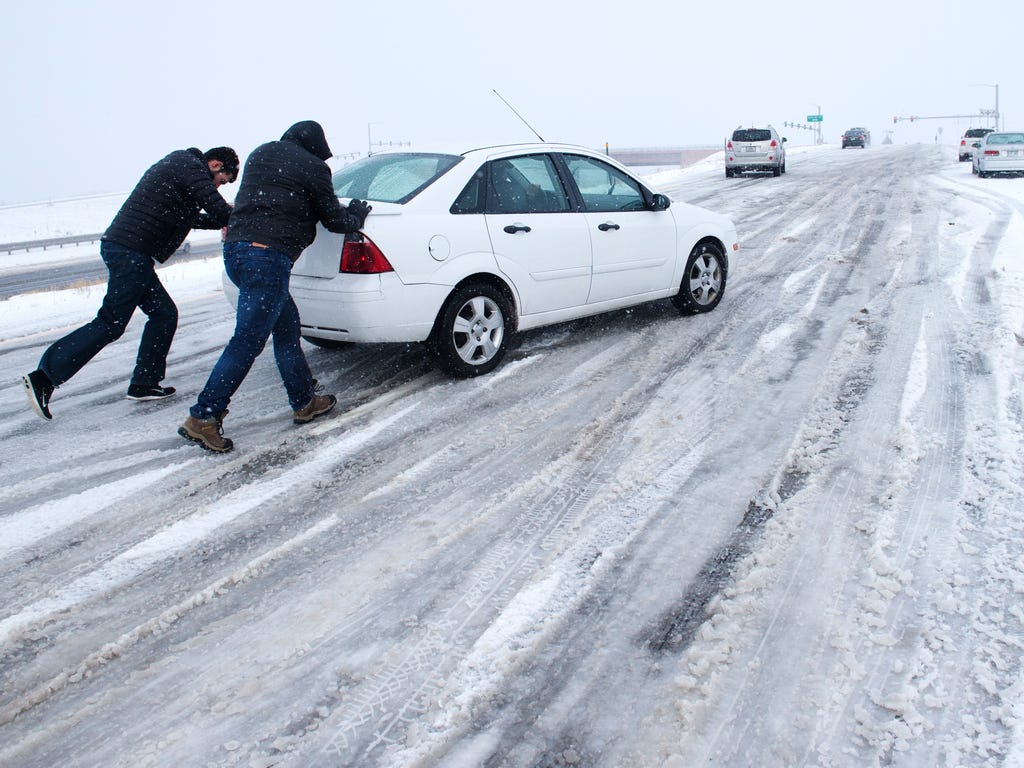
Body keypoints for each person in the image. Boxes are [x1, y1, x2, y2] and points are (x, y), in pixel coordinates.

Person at [179, 121, 371, 453]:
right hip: (267, 259)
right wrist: (353, 216)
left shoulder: (262, 154)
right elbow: (332, 219)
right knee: (247, 341)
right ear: (315, 147)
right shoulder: (314, 166)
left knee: (286, 329)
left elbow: (277, 198)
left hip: (237, 251)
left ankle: (304, 402)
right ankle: (204, 417)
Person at [22, 146, 239, 421]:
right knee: (111, 322)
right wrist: (243, 217)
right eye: (221, 181)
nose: (218, 187)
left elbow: (191, 218)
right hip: (129, 252)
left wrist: (224, 222)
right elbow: (216, 207)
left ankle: (144, 383)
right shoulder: (189, 165)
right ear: (216, 164)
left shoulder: (183, 170)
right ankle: (44, 377)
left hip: (131, 252)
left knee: (164, 314)